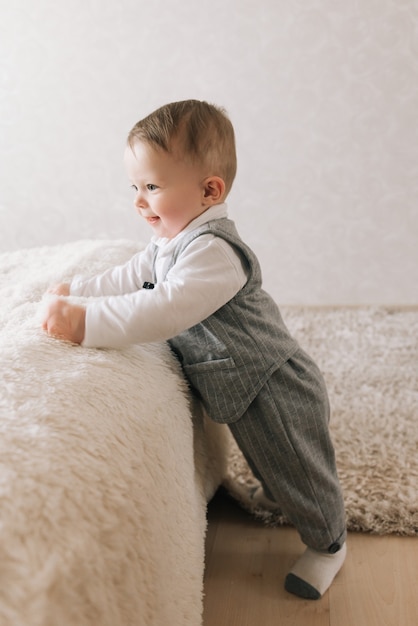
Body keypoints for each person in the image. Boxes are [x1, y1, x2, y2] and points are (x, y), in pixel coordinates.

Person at [42, 99, 347, 600]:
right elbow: (135, 275)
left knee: (301, 464)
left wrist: (86, 324)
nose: (140, 202)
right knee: (269, 454)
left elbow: (163, 308)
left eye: (153, 187)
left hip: (272, 380)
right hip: (237, 380)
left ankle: (329, 542)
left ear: (210, 190)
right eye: (135, 187)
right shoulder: (171, 239)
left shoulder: (215, 252)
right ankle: (277, 493)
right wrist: (79, 292)